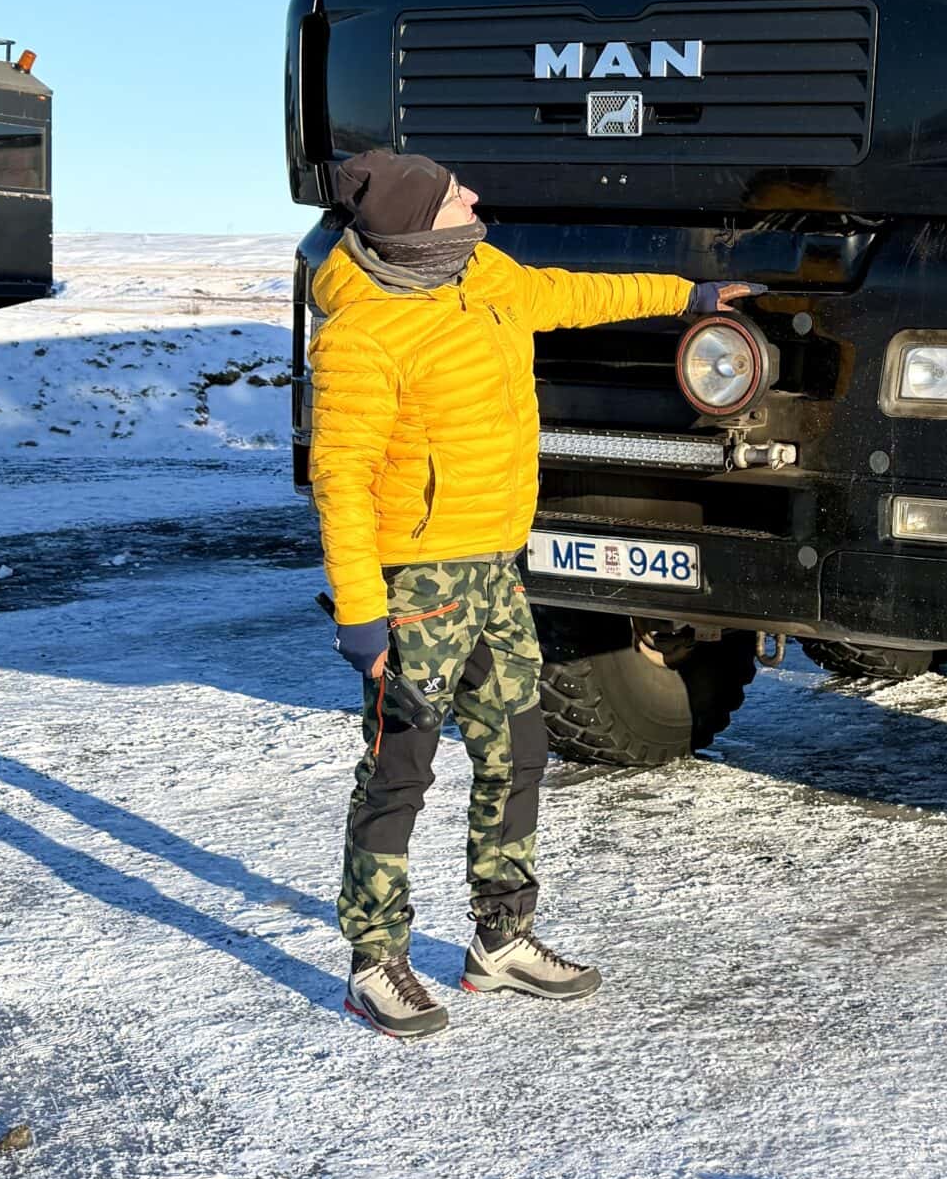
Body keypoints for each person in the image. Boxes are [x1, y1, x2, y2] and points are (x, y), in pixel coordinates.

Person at [307, 148, 760, 1040]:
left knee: (519, 750)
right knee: (400, 769)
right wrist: (361, 609)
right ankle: (373, 961)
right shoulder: (362, 334)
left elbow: (576, 292)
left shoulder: (489, 275)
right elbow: (340, 478)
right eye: (451, 195)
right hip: (416, 578)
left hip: (495, 565)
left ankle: (501, 942)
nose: (473, 195)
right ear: (412, 222)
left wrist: (688, 296)